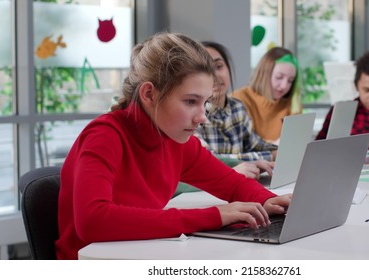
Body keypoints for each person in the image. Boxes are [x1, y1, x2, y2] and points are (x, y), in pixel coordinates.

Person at [55, 32, 291, 260]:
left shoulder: (175, 139)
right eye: (190, 101)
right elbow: (93, 222)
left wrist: (267, 199)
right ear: (149, 94)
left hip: (138, 255)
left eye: (205, 103)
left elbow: (232, 184)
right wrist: (215, 215)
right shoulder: (104, 136)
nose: (202, 117)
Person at [194, 41, 277, 178]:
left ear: (228, 68)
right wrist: (266, 157)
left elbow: (255, 144)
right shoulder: (193, 113)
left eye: (219, 66)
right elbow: (210, 160)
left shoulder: (237, 107)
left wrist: (279, 151)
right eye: (204, 70)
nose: (215, 76)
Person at [232, 47, 302, 143]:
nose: (284, 86)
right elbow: (241, 145)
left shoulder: (292, 104)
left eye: (290, 81)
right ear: (264, 74)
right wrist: (275, 146)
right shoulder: (238, 99)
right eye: (279, 77)